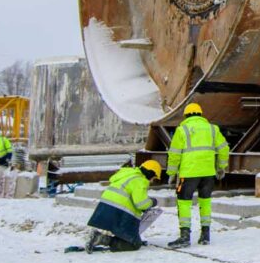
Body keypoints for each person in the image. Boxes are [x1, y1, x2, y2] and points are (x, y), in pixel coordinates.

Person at [166, 102, 230, 247]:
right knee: (205, 202)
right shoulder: (212, 129)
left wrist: (171, 172)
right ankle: (205, 235)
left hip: (188, 173)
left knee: (184, 202)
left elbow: (174, 153)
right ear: (201, 114)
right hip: (208, 173)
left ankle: (184, 236)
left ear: (186, 115)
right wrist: (221, 167)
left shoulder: (182, 130)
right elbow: (224, 148)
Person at [87, 159, 164, 252]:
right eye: (153, 178)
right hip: (119, 212)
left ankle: (100, 238)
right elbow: (141, 204)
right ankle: (102, 239)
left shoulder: (128, 175)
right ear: (150, 173)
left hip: (105, 208)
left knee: (128, 237)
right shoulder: (139, 180)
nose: (151, 181)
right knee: (133, 244)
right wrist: (152, 202)